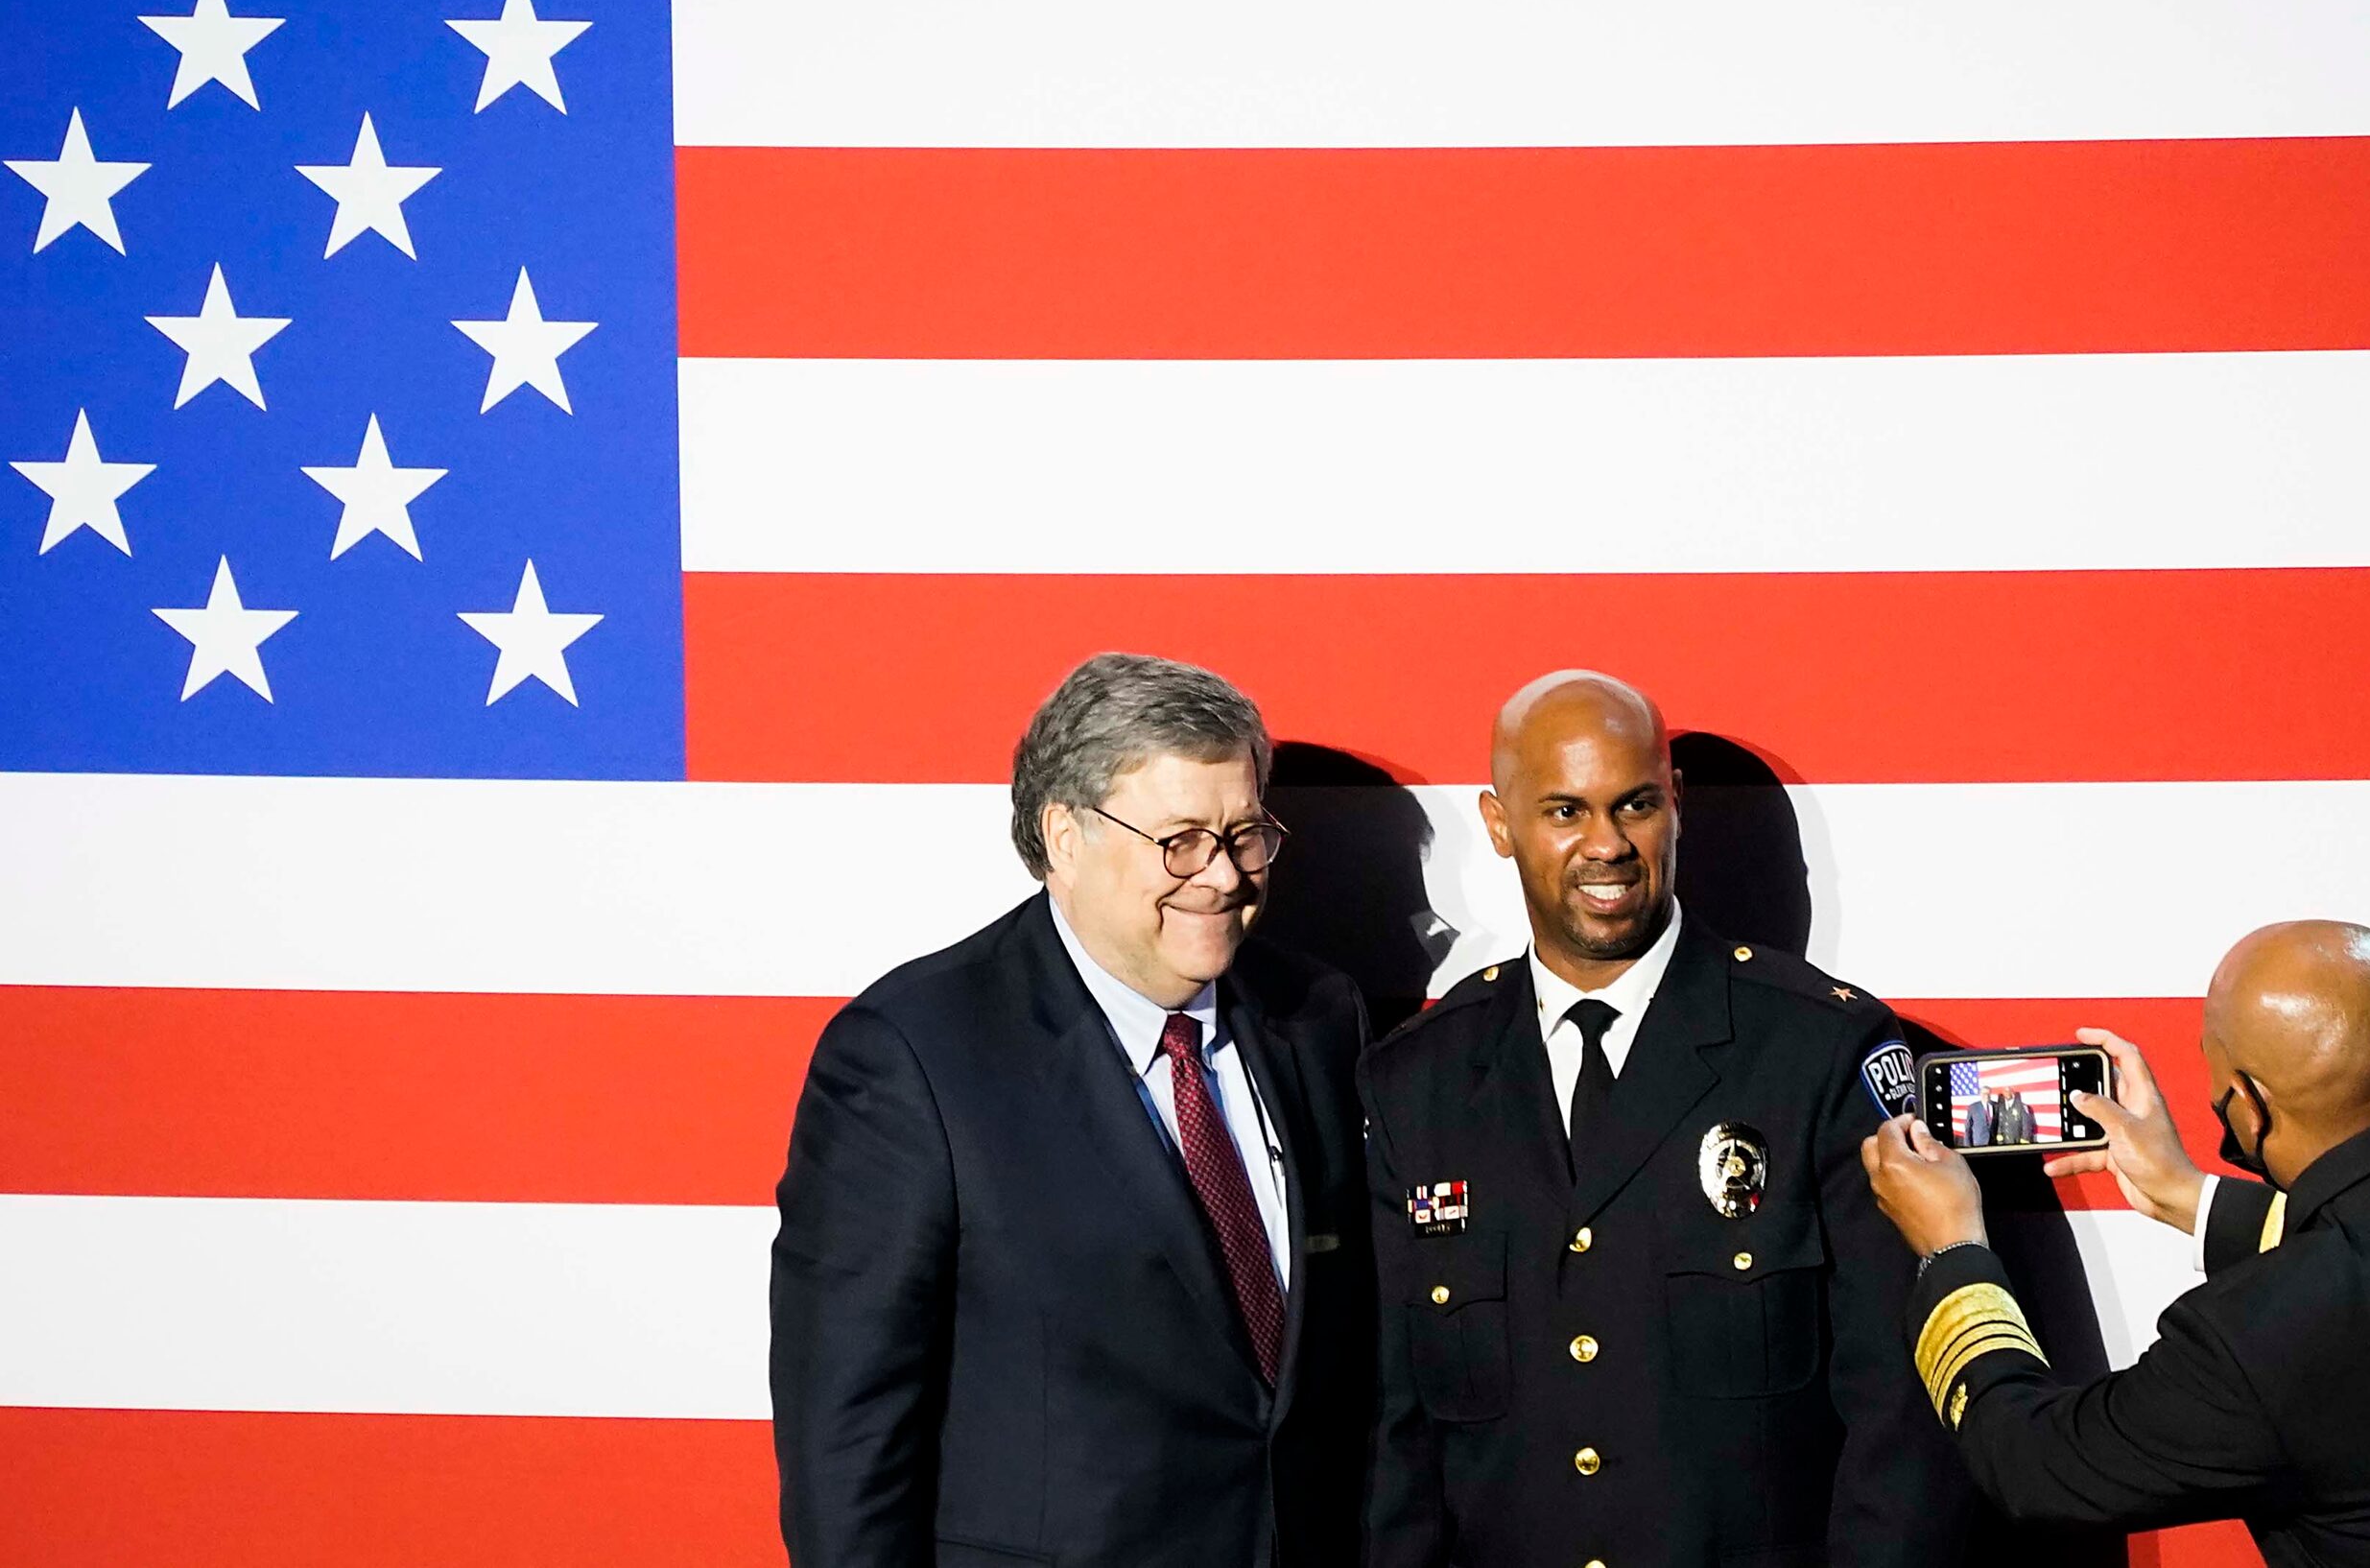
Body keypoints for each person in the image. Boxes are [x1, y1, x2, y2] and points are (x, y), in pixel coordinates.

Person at [770, 653, 1374, 1568]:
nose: (1221, 877)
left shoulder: (1319, 1017)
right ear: (1065, 835)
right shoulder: (913, 1058)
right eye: (1179, 842)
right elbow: (847, 1440)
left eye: (1245, 835)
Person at [1362, 671, 1971, 1568]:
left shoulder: (1820, 1051)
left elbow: (1902, 1419)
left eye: (1635, 805)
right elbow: (1396, 1440)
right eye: (1564, 812)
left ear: (1675, 803)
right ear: (1499, 824)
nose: (1606, 845)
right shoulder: (1418, 1081)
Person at [1861, 919, 2370, 1566]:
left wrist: (1953, 1250)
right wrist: (2188, 1197)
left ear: (2247, 1108)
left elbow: (2035, 1461)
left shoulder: (2248, 1343)